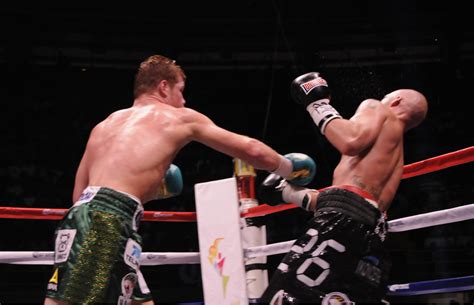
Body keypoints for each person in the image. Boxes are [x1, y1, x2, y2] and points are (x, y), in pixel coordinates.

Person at [43, 55, 317, 305]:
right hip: (108, 222)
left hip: (91, 218)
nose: (184, 101)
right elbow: (251, 150)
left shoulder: (104, 124)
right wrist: (287, 167)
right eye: (180, 92)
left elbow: (80, 194)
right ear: (164, 87)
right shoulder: (177, 117)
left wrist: (152, 190)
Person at [259, 72, 428, 304]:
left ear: (396, 101)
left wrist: (316, 104)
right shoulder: (394, 157)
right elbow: (352, 203)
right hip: (371, 241)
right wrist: (287, 193)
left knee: (284, 295)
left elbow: (350, 140)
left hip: (341, 228)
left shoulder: (377, 107)